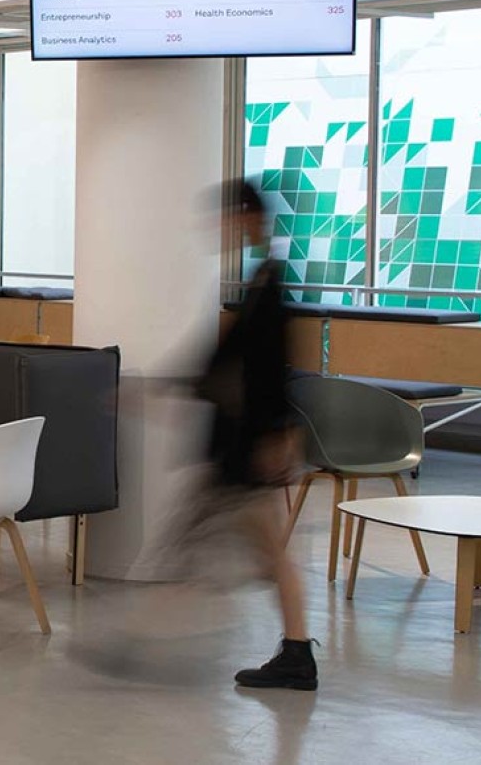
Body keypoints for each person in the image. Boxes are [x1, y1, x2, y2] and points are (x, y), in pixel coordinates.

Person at [188, 179, 315, 691]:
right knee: (263, 553)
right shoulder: (259, 281)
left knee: (265, 552)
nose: (218, 229)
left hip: (250, 446)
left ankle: (298, 653)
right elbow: (227, 364)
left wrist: (277, 437)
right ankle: (297, 651)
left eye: (225, 218)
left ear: (245, 220)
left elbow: (271, 370)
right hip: (243, 443)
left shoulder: (269, 285)